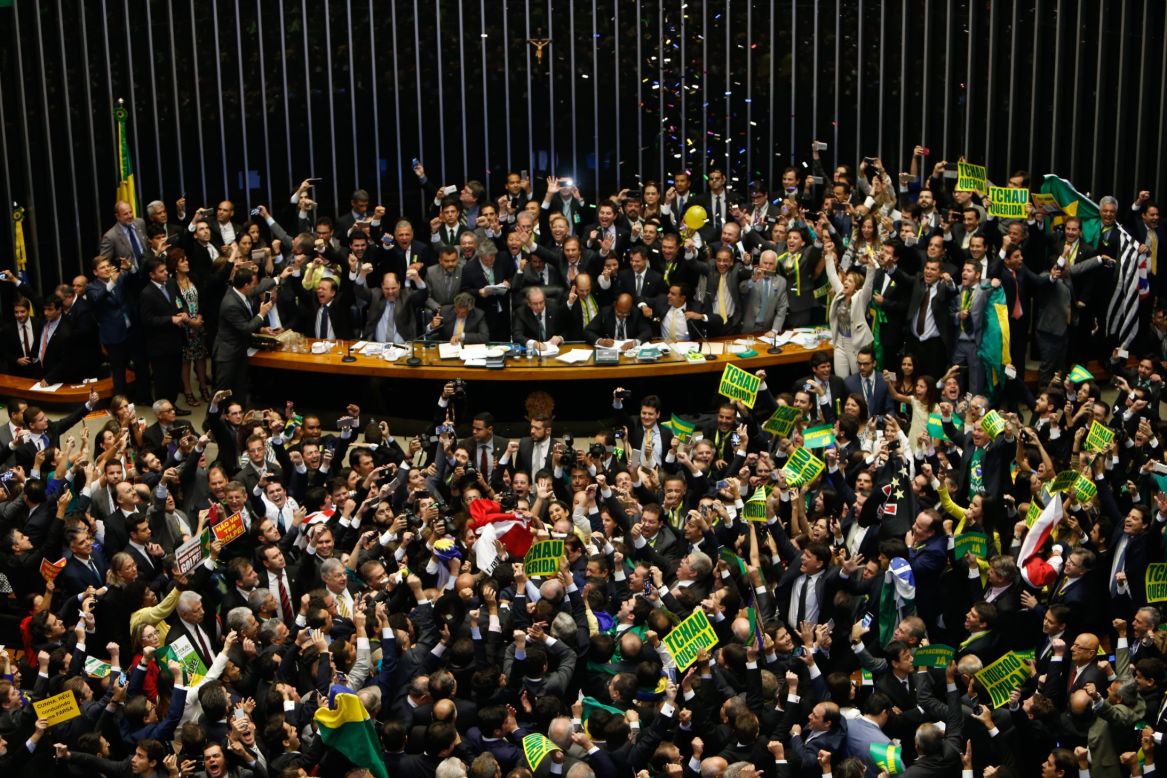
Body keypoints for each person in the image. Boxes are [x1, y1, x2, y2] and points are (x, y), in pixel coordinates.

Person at [211, 267, 277, 403]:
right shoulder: (231, 304)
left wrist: (280, 276)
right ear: (246, 285)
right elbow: (245, 328)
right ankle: (211, 420)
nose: (256, 287)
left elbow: (243, 323)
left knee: (239, 388)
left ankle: (238, 416)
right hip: (228, 354)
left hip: (240, 351)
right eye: (253, 284)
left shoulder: (238, 292)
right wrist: (261, 314)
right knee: (222, 391)